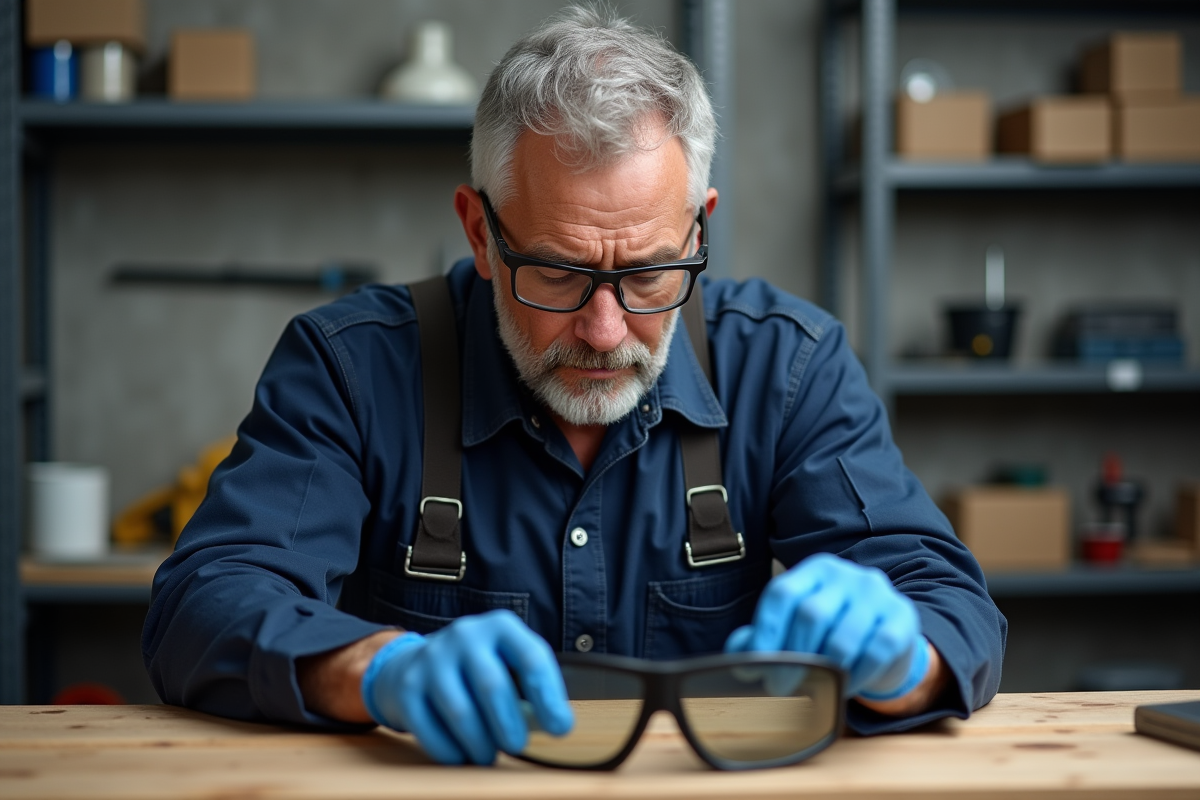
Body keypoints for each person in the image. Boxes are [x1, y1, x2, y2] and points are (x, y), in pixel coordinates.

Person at [143, 6, 1006, 767]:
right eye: (556, 275)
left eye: (650, 273)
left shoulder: (789, 368)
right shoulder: (349, 369)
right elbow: (205, 603)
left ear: (700, 226)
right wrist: (372, 668)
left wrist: (905, 656)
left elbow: (951, 607)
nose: (604, 330)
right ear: (480, 233)